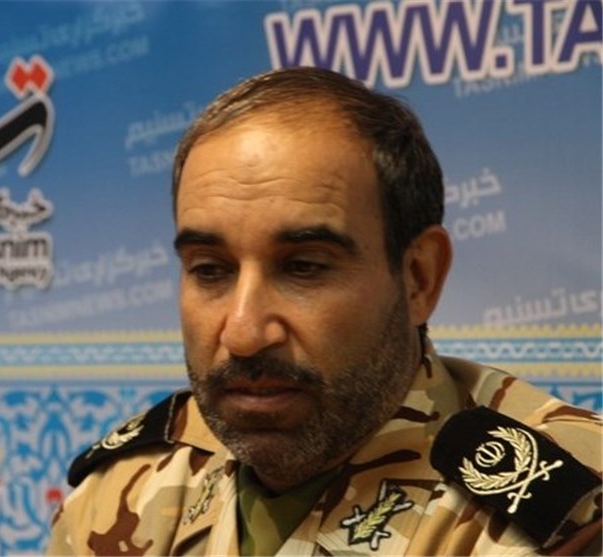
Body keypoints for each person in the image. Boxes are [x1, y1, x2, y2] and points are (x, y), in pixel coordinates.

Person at [47, 67, 601, 556]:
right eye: (210, 270)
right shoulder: (126, 486)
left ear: (418, 277)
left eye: (304, 267)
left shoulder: (564, 513)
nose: (243, 333)